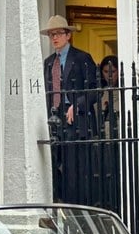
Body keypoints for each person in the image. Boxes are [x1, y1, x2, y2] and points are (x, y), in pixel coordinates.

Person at [41, 15, 98, 203]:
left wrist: (77, 104)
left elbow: (95, 90)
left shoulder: (81, 58)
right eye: (51, 35)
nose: (54, 38)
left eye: (58, 33)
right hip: (55, 119)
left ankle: (77, 210)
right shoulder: (49, 62)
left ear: (68, 35)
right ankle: (59, 206)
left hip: (76, 121)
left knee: (75, 172)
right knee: (54, 168)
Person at [98, 55, 121, 211]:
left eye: (113, 71)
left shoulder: (122, 90)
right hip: (103, 139)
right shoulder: (99, 92)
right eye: (106, 71)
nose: (110, 75)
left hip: (119, 138)